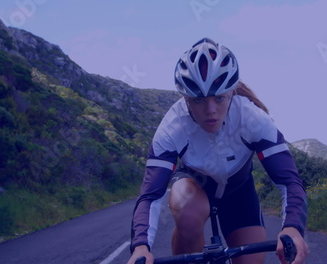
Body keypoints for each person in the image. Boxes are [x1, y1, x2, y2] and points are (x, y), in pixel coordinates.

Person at [127, 38, 309, 264]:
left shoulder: (253, 118)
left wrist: (292, 227)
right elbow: (150, 196)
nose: (210, 110)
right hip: (194, 187)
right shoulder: (172, 127)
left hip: (238, 194)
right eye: (199, 99)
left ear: (231, 92)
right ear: (186, 98)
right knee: (189, 208)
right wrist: (140, 247)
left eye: (219, 98)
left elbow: (289, 182)